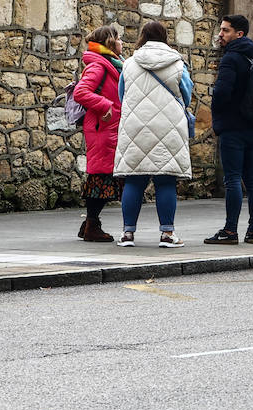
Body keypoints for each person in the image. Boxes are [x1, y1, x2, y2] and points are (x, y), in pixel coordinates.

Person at [113, 20, 194, 247]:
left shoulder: (128, 64)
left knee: (134, 180)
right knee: (166, 180)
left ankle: (127, 234)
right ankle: (167, 234)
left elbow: (122, 96)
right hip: (168, 126)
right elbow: (186, 95)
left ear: (143, 36)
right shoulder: (178, 63)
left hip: (135, 126)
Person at [203, 13, 253, 245]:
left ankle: (230, 231)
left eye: (225, 30)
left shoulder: (231, 58)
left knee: (232, 179)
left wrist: (218, 120)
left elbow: (221, 93)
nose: (220, 34)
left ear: (239, 34)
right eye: (221, 30)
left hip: (232, 127)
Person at [73, 24, 125, 242]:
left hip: (108, 127)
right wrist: (105, 105)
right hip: (102, 127)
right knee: (101, 177)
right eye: (119, 38)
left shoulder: (110, 63)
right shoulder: (99, 66)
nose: (122, 42)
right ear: (110, 42)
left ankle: (89, 224)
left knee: (103, 176)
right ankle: (92, 226)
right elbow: (81, 92)